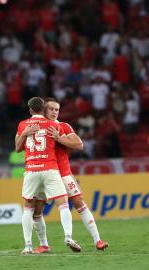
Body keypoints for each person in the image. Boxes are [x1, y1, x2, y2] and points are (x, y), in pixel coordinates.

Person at [32, 98, 109, 253]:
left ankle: (98, 240)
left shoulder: (63, 126)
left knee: (79, 203)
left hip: (63, 173)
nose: (55, 112)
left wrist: (59, 138)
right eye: (52, 109)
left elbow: (79, 144)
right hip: (43, 173)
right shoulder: (37, 128)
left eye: (57, 109)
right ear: (44, 110)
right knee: (37, 211)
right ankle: (44, 244)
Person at [15, 97, 81, 255]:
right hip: (50, 169)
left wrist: (24, 134)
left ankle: (28, 245)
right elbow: (70, 143)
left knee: (29, 208)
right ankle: (68, 236)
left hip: (31, 170)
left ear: (30, 110)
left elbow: (17, 149)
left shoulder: (23, 125)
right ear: (43, 109)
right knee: (63, 204)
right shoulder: (53, 125)